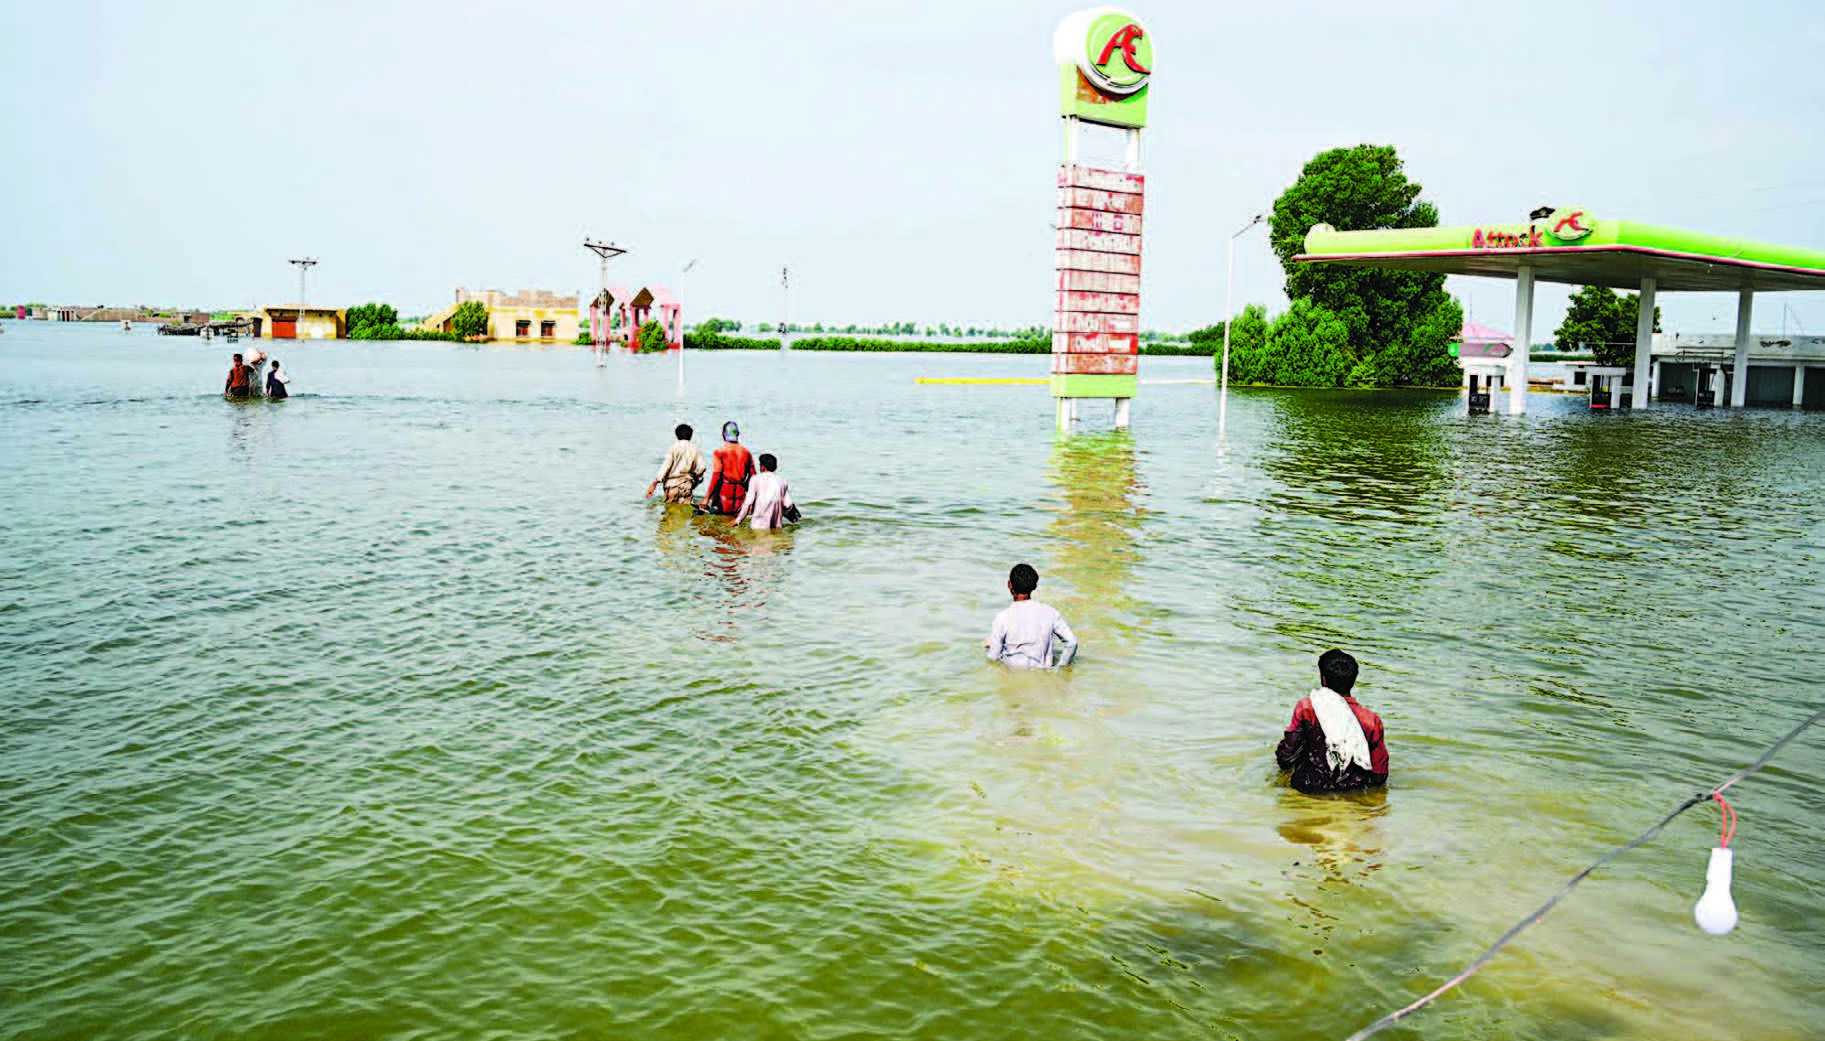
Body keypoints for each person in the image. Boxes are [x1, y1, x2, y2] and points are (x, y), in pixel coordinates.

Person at [1275, 649, 1389, 794]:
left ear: (1324, 679)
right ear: (1353, 681)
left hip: (1309, 786)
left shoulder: (1307, 708)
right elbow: (1380, 774)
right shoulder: (1371, 720)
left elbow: (1287, 754)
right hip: (1351, 790)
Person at [985, 563, 1077, 669]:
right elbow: (1072, 643)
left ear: (1009, 585)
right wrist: (1060, 669)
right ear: (1035, 586)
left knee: (989, 644)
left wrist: (989, 648)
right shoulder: (1050, 613)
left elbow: (993, 658)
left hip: (1013, 678)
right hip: (1043, 677)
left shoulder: (1002, 618)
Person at [699, 420, 755, 516]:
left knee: (718, 527)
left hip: (724, 498)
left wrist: (706, 498)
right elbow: (754, 477)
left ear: (723, 435)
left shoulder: (719, 453)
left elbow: (716, 477)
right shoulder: (747, 453)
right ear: (738, 434)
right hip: (740, 498)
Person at [733, 453, 796, 530]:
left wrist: (738, 520)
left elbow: (748, 503)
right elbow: (788, 505)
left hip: (758, 526)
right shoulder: (782, 481)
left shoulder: (755, 479)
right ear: (775, 467)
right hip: (776, 527)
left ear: (762, 467)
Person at [646, 423, 706, 504]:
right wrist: (695, 476)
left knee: (669, 513)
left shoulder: (673, 448)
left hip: (671, 486)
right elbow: (702, 467)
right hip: (687, 487)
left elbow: (666, 466)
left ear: (676, 435)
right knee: (685, 513)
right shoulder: (695, 449)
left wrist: (654, 483)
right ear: (691, 436)